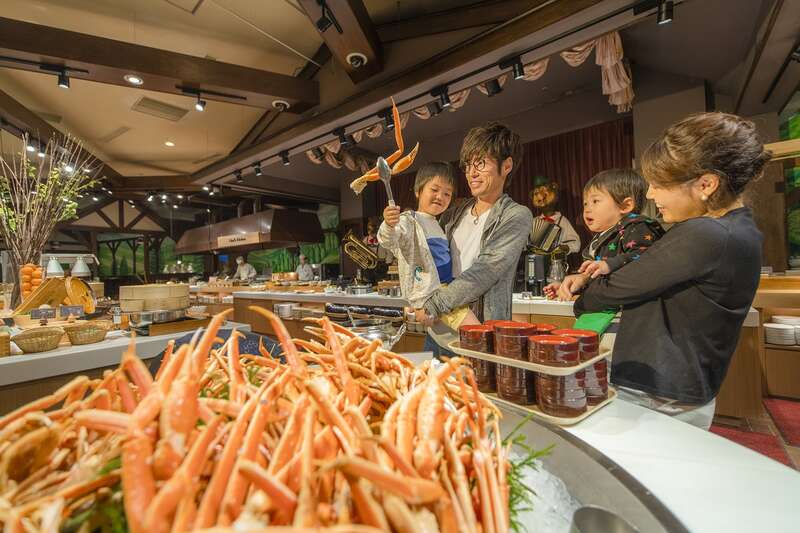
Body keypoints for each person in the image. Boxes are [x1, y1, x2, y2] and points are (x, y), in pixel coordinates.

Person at [564, 112, 769, 430]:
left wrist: (587, 294)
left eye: (659, 184)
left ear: (706, 184)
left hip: (658, 394)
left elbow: (612, 290)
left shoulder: (706, 233)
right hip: (683, 389)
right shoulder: (741, 230)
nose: (650, 194)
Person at [417, 122, 533, 353]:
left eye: (480, 163)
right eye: (469, 164)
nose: (471, 173)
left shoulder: (516, 215)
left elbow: (486, 270)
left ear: (506, 165)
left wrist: (433, 304)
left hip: (478, 334)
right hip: (438, 331)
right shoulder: (452, 214)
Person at [378, 162, 480, 339]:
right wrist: (388, 223)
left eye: (447, 193)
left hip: (449, 290)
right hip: (434, 293)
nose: (440, 196)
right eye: (434, 189)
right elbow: (388, 239)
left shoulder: (439, 224)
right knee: (477, 333)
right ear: (418, 191)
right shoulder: (408, 220)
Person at [544, 168, 664, 298]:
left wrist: (609, 264)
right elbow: (596, 280)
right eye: (585, 203)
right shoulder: (599, 239)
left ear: (625, 206)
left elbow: (646, 258)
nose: (587, 209)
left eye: (595, 201)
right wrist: (571, 287)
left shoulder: (638, 227)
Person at [529, 175, 581, 255]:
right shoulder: (534, 221)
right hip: (535, 262)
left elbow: (576, 243)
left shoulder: (562, 221)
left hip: (555, 262)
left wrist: (564, 247)